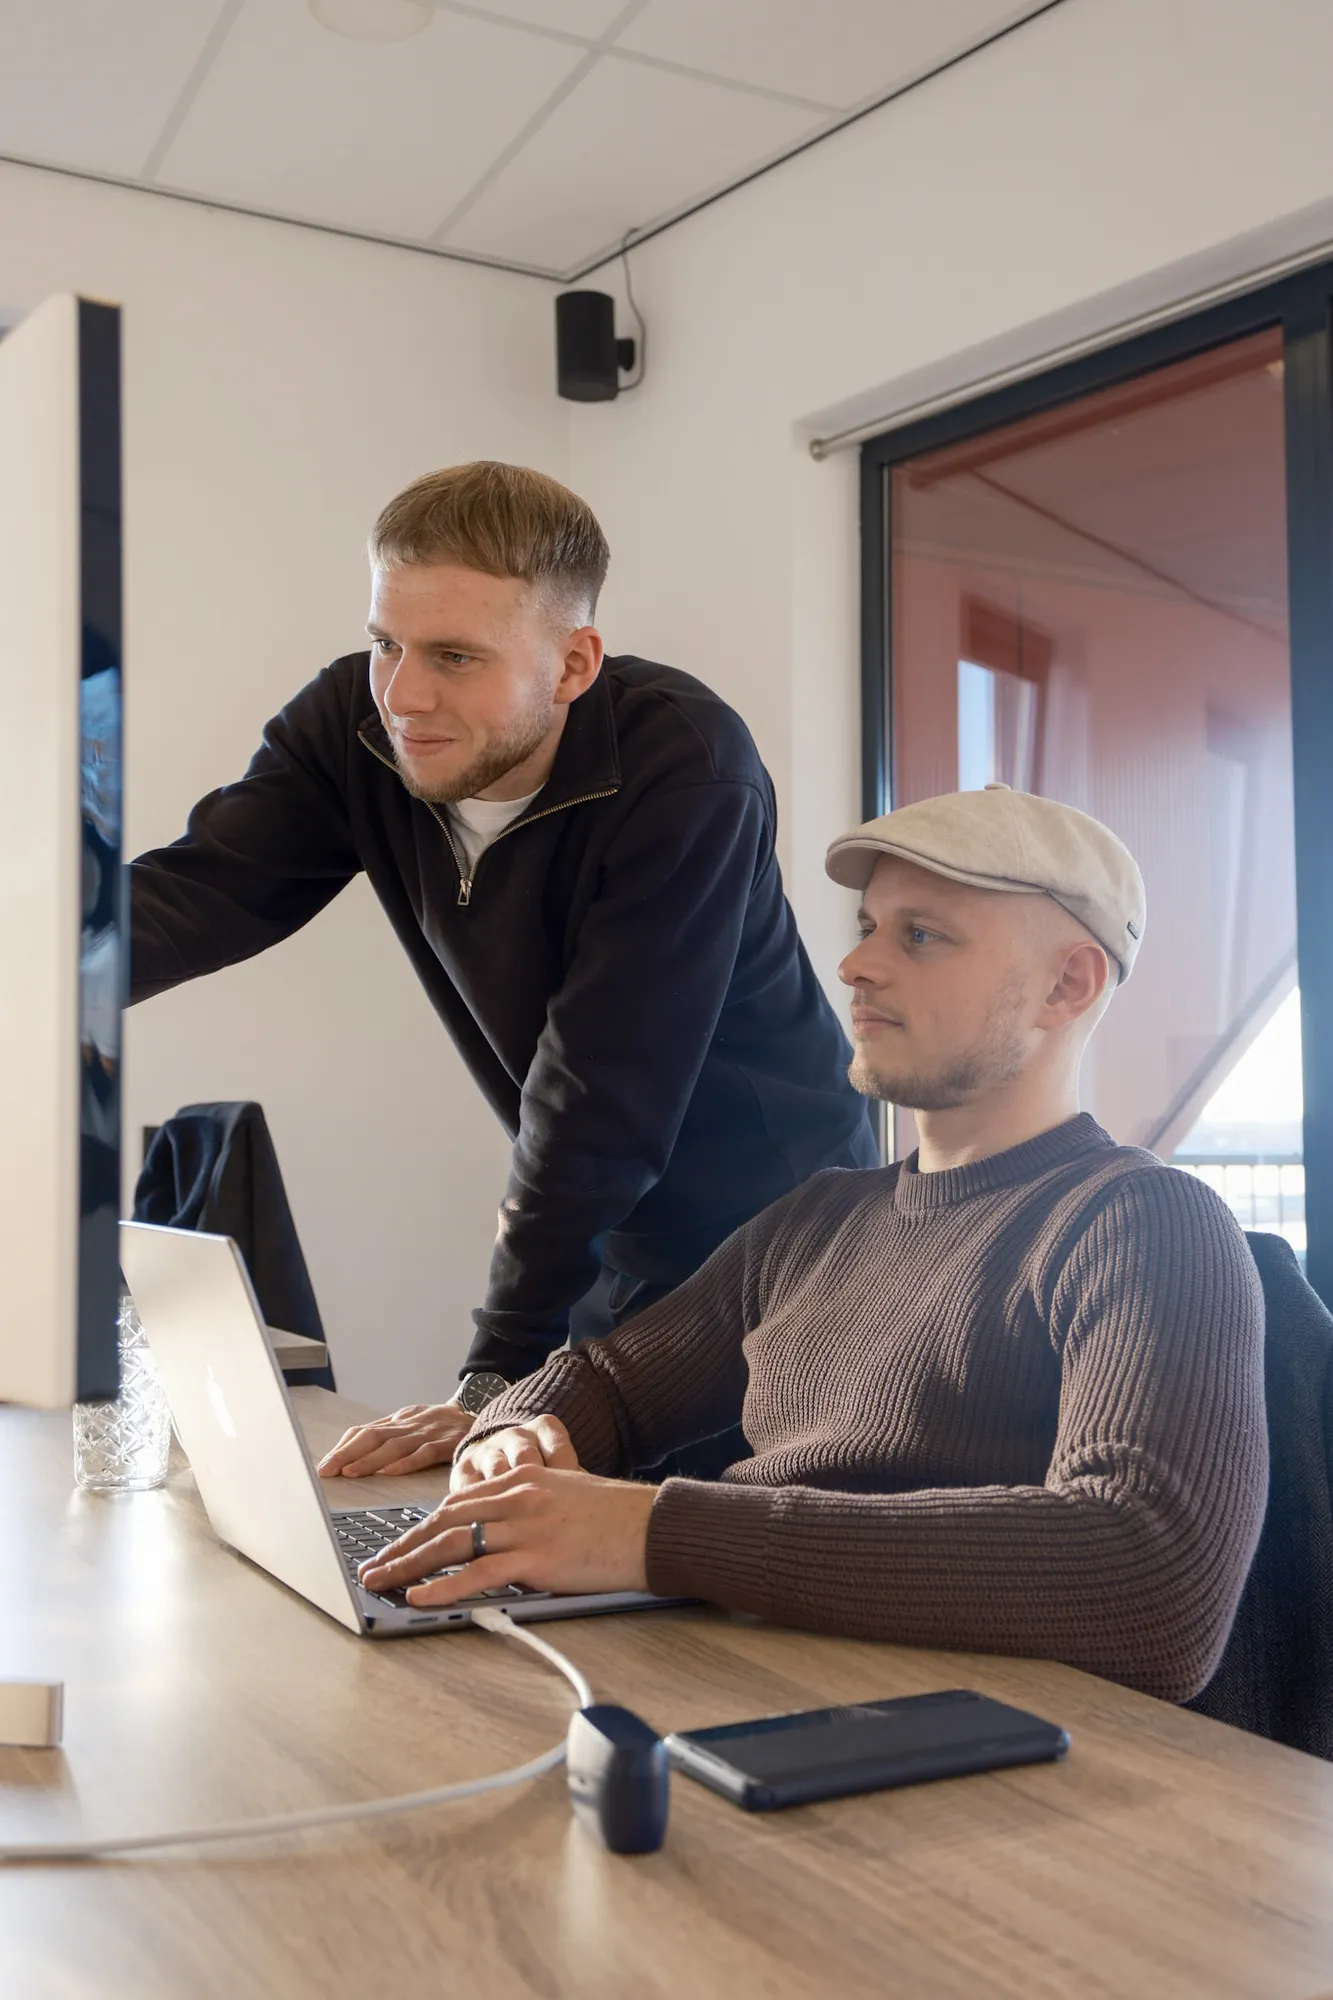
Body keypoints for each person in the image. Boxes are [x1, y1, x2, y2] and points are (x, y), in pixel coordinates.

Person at [357, 786, 1268, 1703]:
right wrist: (516, 1436)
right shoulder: (820, 1219)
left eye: (920, 936)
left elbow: (1152, 1582)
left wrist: (649, 1534)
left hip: (966, 1764)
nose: (855, 964)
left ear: (1067, 984)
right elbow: (609, 1381)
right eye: (869, 925)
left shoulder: (1143, 1222)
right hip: (757, 1681)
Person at [130, 462, 874, 1474]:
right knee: (561, 1529)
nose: (403, 694)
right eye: (385, 642)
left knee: (693, 1571)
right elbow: (198, 891)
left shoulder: (684, 768)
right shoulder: (355, 728)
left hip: (785, 1241)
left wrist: (493, 1374)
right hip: (606, 1224)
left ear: (573, 664)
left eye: (454, 655)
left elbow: (600, 1086)